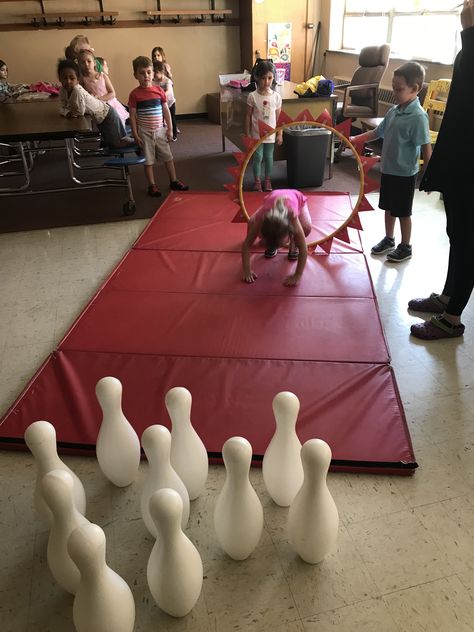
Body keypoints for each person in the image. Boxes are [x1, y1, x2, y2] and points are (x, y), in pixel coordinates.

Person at [408, 1, 474, 340]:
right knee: (456, 233)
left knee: (467, 239)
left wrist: (470, 30)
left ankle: (452, 318)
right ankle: (448, 297)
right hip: (460, 155)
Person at [349, 62, 432, 263]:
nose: (394, 92)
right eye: (393, 87)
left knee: (403, 212)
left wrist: (428, 175)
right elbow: (378, 132)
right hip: (388, 169)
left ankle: (406, 246)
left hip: (405, 174)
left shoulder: (418, 117)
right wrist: (356, 139)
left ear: (415, 88)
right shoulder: (394, 111)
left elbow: (426, 148)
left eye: (399, 89)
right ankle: (389, 239)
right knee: (388, 207)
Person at [128, 56, 188, 197]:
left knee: (168, 157)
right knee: (148, 161)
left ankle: (174, 181)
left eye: (149, 72)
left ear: (153, 72)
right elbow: (132, 115)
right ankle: (152, 185)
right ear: (136, 75)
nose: (146, 76)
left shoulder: (159, 91)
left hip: (160, 131)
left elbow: (166, 110)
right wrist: (135, 134)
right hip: (145, 133)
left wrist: (170, 128)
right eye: (142, 73)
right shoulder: (134, 94)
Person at [241, 189, 311, 287]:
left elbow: (303, 248)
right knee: (252, 223)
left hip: (296, 197)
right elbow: (247, 244)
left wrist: (297, 275)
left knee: (306, 228)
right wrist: (246, 270)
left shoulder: (292, 215)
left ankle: (294, 244)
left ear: (289, 231)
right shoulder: (262, 217)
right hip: (271, 202)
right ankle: (272, 243)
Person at [57, 59, 133, 149]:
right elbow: (60, 107)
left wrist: (69, 111)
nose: (68, 81)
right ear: (59, 78)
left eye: (72, 78)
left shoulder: (77, 90)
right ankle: (139, 142)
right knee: (111, 142)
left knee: (118, 142)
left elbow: (79, 112)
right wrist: (67, 112)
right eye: (64, 78)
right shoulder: (63, 90)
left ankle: (142, 142)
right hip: (100, 118)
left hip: (107, 114)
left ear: (78, 79)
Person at [244, 60, 282, 193]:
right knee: (258, 157)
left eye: (270, 78)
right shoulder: (252, 96)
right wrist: (248, 133)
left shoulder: (276, 97)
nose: (267, 82)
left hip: (271, 134)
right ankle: (257, 181)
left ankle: (267, 179)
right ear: (257, 78)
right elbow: (248, 116)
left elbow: (279, 118)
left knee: (269, 157)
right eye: (263, 78)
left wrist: (280, 133)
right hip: (256, 134)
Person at [78, 49, 129, 127]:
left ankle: (121, 137)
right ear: (79, 64)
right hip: (95, 107)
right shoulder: (82, 79)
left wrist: (100, 98)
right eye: (83, 62)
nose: (86, 64)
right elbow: (81, 94)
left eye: (89, 61)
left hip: (109, 105)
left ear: (94, 62)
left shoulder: (102, 76)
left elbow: (112, 93)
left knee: (116, 124)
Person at [153, 60, 177, 141]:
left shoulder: (167, 81)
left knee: (171, 119)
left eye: (155, 73)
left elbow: (169, 91)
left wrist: (159, 96)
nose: (154, 75)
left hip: (170, 103)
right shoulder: (154, 81)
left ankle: (174, 135)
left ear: (161, 72)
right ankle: (163, 134)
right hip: (162, 104)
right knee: (161, 119)